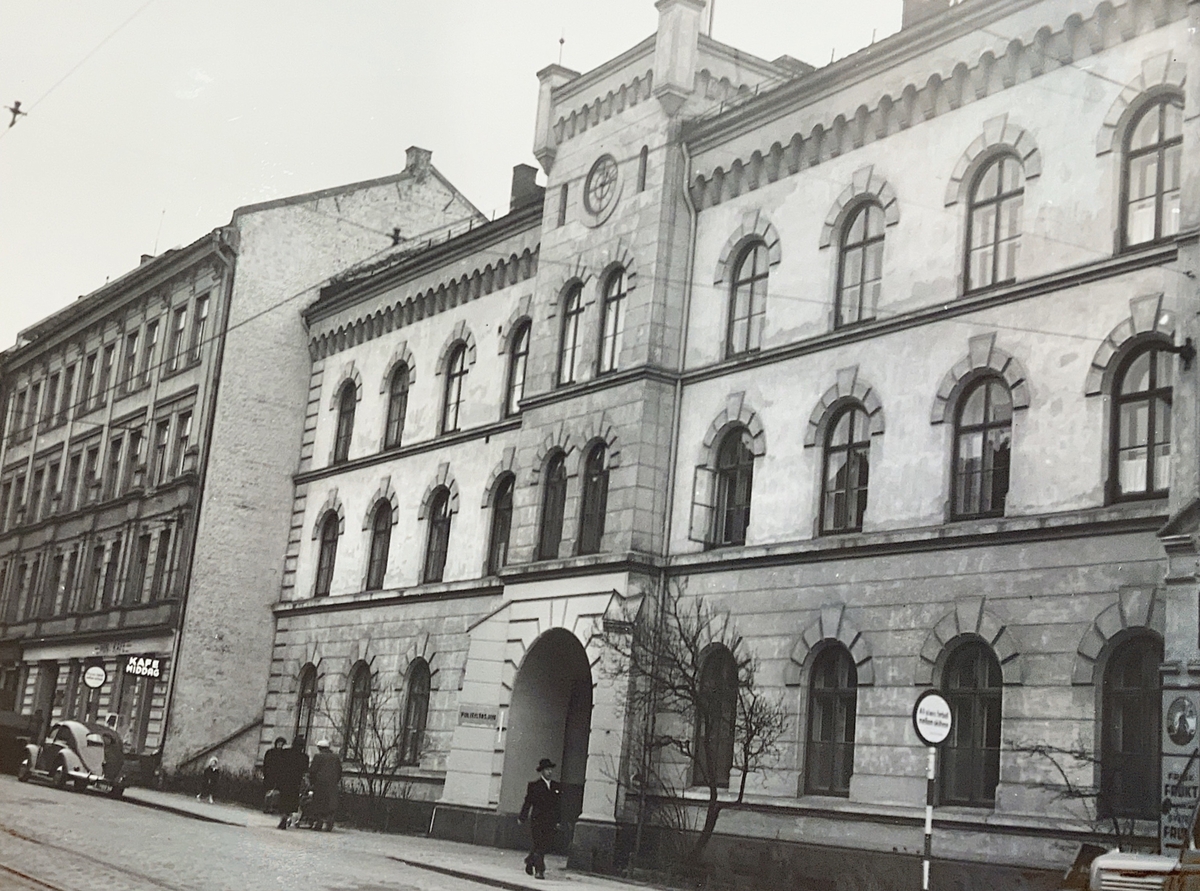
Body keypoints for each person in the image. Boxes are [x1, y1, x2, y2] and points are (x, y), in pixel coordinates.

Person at [517, 757, 562, 879]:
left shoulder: (556, 786)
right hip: (537, 820)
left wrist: (558, 821)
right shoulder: (534, 786)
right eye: (547, 770)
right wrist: (522, 817)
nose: (550, 772)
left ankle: (530, 860)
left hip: (550, 821)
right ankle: (539, 870)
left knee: (545, 844)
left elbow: (558, 806)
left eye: (551, 769)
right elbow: (528, 802)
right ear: (542, 771)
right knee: (539, 844)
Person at [307, 738, 342, 831]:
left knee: (319, 803)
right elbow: (339, 771)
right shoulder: (335, 757)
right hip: (332, 784)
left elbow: (313, 771)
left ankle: (319, 823)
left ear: (320, 748)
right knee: (330, 804)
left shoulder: (318, 756)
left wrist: (312, 782)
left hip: (320, 783)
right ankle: (329, 823)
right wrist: (335, 780)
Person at [276, 736, 309, 830]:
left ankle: (283, 816)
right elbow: (305, 770)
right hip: (295, 782)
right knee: (292, 800)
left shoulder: (285, 752)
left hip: (284, 780)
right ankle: (288, 816)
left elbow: (279, 766)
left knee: (283, 798)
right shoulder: (304, 757)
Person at [261, 736, 287, 813]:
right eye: (279, 744)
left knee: (277, 792)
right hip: (270, 774)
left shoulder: (284, 754)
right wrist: (265, 773)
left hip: (279, 775)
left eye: (281, 744)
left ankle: (273, 807)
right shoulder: (270, 752)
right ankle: (266, 806)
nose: (280, 745)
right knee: (268, 791)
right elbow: (266, 763)